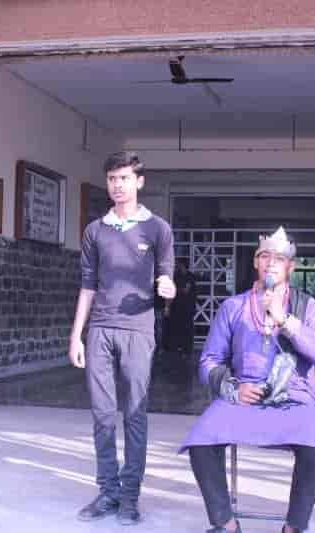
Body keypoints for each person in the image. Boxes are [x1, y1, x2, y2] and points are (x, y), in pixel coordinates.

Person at [180, 227, 315, 533]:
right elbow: (208, 361)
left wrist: (285, 320)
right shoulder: (233, 307)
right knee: (200, 442)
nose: (271, 263)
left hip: (293, 399)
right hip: (243, 396)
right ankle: (226, 524)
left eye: (280, 258)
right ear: (255, 262)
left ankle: (293, 527)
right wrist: (234, 387)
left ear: (291, 266)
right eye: (265, 256)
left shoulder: (307, 307)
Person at [69, 151, 176, 525]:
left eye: (125, 178)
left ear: (139, 182)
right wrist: (76, 336)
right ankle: (108, 492)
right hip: (99, 329)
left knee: (134, 414)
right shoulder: (95, 231)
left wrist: (167, 288)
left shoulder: (158, 229)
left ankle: (130, 496)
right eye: (113, 178)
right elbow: (87, 287)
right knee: (102, 415)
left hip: (138, 331)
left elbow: (167, 277)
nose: (118, 185)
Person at [168, 258, 199, 357]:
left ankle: (187, 349)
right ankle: (179, 348)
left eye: (179, 264)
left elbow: (186, 290)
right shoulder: (176, 276)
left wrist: (175, 289)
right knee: (178, 328)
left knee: (187, 328)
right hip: (177, 307)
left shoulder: (190, 277)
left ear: (183, 265)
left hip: (187, 308)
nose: (177, 266)